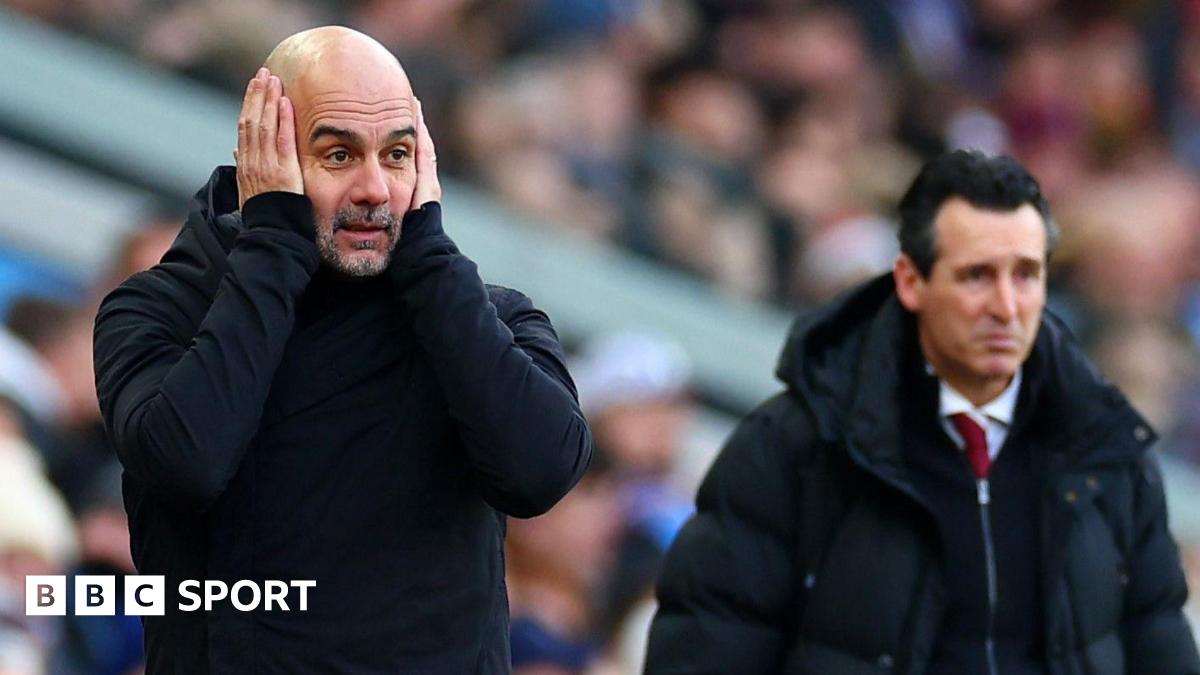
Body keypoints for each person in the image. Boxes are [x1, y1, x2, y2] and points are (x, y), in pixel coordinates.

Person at [93, 26, 592, 672]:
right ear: (263, 154)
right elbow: (188, 460)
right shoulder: (160, 308)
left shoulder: (486, 318)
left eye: (397, 155)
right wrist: (275, 241)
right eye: (338, 155)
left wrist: (432, 261)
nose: (374, 190)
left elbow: (542, 470)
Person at [644, 150, 1200, 674]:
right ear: (911, 281)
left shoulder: (1110, 457)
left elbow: (1161, 650)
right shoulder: (794, 446)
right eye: (976, 275)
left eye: (1026, 275)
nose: (1006, 308)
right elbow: (708, 647)